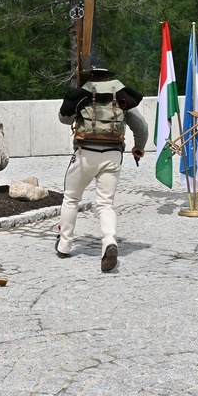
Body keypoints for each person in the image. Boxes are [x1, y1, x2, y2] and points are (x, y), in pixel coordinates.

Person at [56, 60, 148, 272]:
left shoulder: (82, 95)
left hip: (85, 153)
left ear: (90, 75)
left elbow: (63, 118)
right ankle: (109, 241)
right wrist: (139, 147)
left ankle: (65, 244)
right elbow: (141, 126)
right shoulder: (122, 96)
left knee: (71, 198)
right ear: (108, 76)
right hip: (113, 154)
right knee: (105, 204)